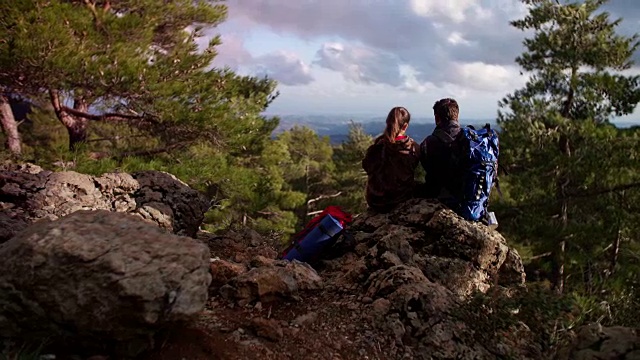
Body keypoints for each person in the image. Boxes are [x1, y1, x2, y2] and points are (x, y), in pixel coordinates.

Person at [362, 106, 420, 213]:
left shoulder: (376, 147)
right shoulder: (413, 148)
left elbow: (366, 166)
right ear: (405, 126)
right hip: (399, 200)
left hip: (375, 201)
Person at [418, 98, 461, 206]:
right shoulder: (470, 140)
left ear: (437, 118)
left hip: (436, 196)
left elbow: (425, 165)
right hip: (464, 198)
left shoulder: (428, 143)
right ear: (457, 116)